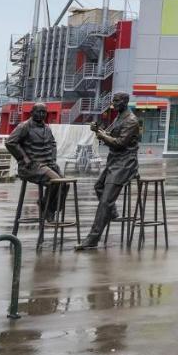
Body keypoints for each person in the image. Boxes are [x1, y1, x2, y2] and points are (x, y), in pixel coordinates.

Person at [75, 92, 141, 250]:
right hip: (114, 161)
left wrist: (101, 135)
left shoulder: (131, 120)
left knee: (105, 201)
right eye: (113, 101)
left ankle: (93, 238)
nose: (113, 103)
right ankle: (112, 212)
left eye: (117, 101)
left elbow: (119, 143)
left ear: (125, 102)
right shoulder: (119, 117)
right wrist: (99, 131)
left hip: (125, 164)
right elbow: (111, 135)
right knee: (98, 187)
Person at [5, 103, 63, 221]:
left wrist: (53, 159)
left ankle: (49, 207)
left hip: (47, 165)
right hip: (31, 166)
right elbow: (10, 142)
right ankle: (46, 208)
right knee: (57, 181)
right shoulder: (24, 126)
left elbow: (52, 144)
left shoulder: (47, 128)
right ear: (32, 113)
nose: (41, 114)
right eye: (39, 111)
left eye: (44, 112)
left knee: (65, 184)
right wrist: (24, 158)